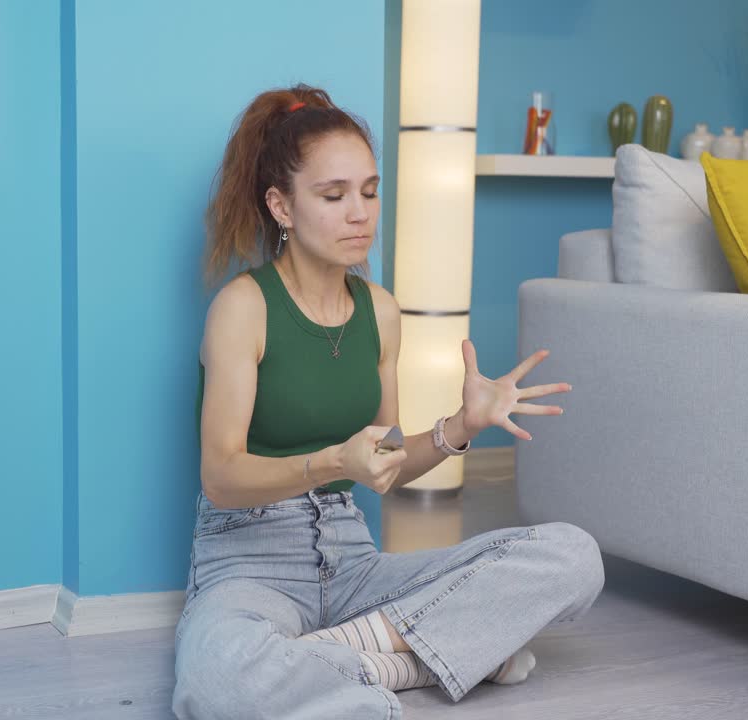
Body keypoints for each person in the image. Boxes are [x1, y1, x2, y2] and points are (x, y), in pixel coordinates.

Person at [172, 84, 605, 720]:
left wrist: (463, 426)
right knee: (216, 681)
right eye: (334, 195)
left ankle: (352, 660)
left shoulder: (380, 310)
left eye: (370, 192)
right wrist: (330, 464)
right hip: (250, 562)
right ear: (280, 206)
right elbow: (222, 477)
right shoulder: (244, 307)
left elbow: (386, 463)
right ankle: (419, 659)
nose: (360, 214)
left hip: (352, 565)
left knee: (574, 557)